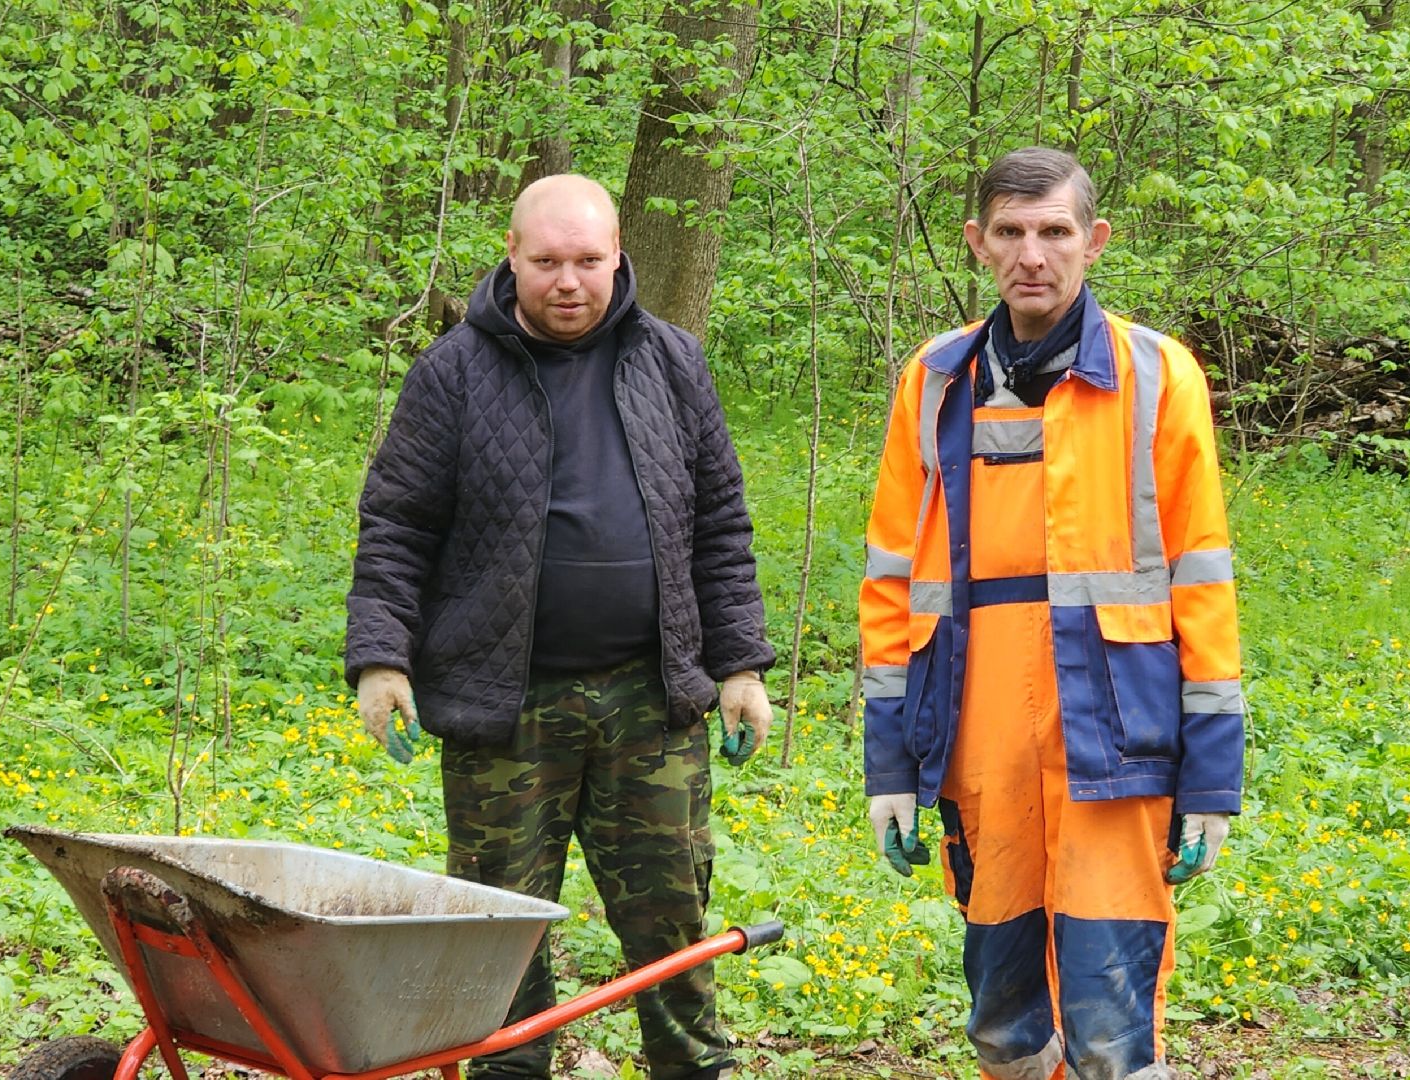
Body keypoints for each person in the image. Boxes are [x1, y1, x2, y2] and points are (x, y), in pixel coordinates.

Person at [345, 174, 774, 1080]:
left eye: (586, 260)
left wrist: (739, 666)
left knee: (670, 921)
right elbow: (396, 524)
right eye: (546, 261)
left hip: (648, 700)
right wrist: (381, 659)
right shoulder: (452, 371)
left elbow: (720, 523)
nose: (567, 281)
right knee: (497, 929)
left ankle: (690, 1069)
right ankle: (508, 1070)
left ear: (618, 255)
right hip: (503, 704)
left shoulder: (672, 361)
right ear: (511, 255)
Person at [858, 148, 1245, 1080]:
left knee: (1113, 1025)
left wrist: (1211, 779)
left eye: (1055, 232)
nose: (1033, 255)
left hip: (1117, 740)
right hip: (977, 737)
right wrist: (889, 764)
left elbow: (1201, 579)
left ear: (1093, 242)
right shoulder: (937, 380)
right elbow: (891, 578)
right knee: (1000, 1018)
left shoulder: (1159, 374)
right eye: (1011, 232)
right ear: (977, 243)